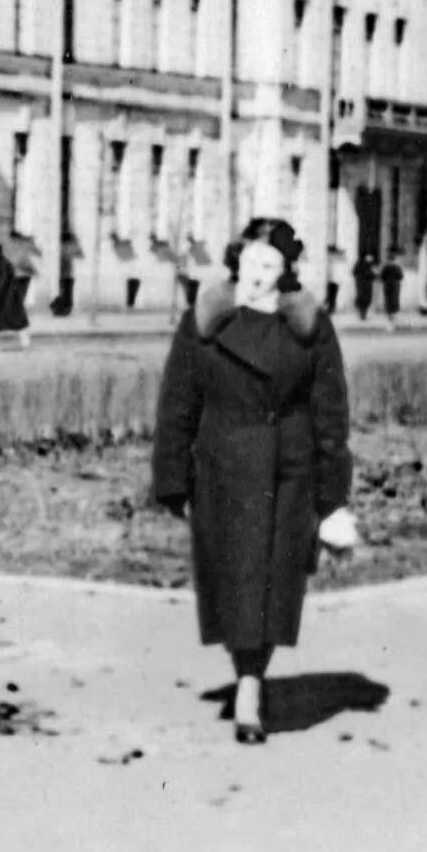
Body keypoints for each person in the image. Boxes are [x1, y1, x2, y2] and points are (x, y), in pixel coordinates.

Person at [150, 217, 358, 745]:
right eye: (249, 263)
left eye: (269, 266)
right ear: (235, 260)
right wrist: (172, 476)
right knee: (236, 586)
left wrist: (333, 498)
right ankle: (247, 677)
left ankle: (249, 687)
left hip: (288, 474)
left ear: (286, 272)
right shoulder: (206, 321)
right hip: (220, 471)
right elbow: (178, 400)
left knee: (270, 587)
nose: (256, 276)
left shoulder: (309, 328)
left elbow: (330, 413)